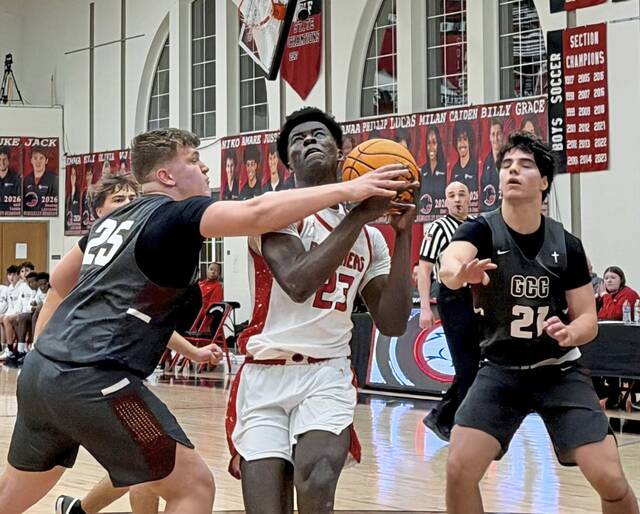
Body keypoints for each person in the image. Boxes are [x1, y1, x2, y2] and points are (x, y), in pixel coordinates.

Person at [0, 127, 410, 514]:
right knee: (194, 486)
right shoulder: (176, 213)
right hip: (96, 379)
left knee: (14, 495)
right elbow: (256, 211)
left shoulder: (112, 221)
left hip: (41, 374)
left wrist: (42, 345)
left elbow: (60, 280)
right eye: (195, 161)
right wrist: (350, 190)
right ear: (166, 175)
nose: (206, 169)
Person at [226, 107, 416, 514]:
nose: (308, 141)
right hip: (265, 374)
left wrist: (403, 238)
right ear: (289, 161)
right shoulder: (274, 210)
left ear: (342, 151)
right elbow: (296, 282)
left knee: (316, 483)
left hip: (326, 373)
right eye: (297, 140)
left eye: (318, 135)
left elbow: (394, 322)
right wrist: (359, 214)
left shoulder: (371, 240)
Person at [440, 131, 638, 514]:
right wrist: (458, 273)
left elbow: (588, 320)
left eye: (525, 165)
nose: (513, 171)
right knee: (460, 467)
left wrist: (570, 332)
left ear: (544, 182)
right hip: (500, 370)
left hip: (557, 371)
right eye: (507, 165)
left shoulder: (567, 245)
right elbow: (452, 261)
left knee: (611, 479)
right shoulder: (480, 230)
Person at [51, 173, 221, 514]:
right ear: (98, 212)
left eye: (132, 198)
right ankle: (80, 510)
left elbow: (151, 323)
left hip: (115, 379)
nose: (129, 205)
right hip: (88, 382)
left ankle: (78, 511)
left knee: (149, 465)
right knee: (154, 462)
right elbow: (56, 293)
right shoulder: (96, 260)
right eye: (118, 200)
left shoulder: (135, 253)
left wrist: (193, 351)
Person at [417, 181, 479, 441]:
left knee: (477, 364)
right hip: (452, 297)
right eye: (451, 195)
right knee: (466, 366)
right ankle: (453, 421)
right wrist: (424, 307)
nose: (457, 199)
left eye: (461, 194)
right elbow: (424, 269)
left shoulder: (477, 226)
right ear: (445, 201)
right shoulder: (439, 228)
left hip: (477, 297)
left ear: (469, 198)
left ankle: (447, 417)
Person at [419, 126, 447, 218]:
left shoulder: (445, 169)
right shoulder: (421, 170)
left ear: (439, 144)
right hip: (424, 220)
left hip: (443, 218)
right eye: (429, 143)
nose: (431, 147)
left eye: (434, 143)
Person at [22, 146, 58, 212]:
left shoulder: (54, 179)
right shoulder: (26, 180)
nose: (38, 162)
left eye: (41, 158)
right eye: (35, 158)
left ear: (46, 161)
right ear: (31, 160)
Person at [479, 119, 503, 213]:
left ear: (503, 135)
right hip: (491, 213)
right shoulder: (486, 164)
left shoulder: (509, 159)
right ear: (489, 137)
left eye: (498, 134)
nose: (496, 138)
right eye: (493, 134)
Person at [450, 121, 478, 199]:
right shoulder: (454, 170)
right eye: (459, 140)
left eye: (465, 139)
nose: (462, 144)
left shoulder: (476, 167)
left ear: (469, 142)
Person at [0, 146, 22, 212]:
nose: (2, 163)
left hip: (10, 216)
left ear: (8, 161)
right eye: (0, 159)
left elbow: (19, 202)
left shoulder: (16, 178)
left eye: (4, 159)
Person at [66, 165, 82, 229]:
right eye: (71, 174)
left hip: (76, 226)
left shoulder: (79, 193)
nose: (73, 177)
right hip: (67, 225)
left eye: (74, 174)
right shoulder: (66, 192)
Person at [82, 164, 96, 229]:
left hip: (94, 224)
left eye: (90, 174)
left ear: (92, 176)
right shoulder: (83, 193)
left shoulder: (96, 191)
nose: (89, 177)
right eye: (87, 175)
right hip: (85, 225)